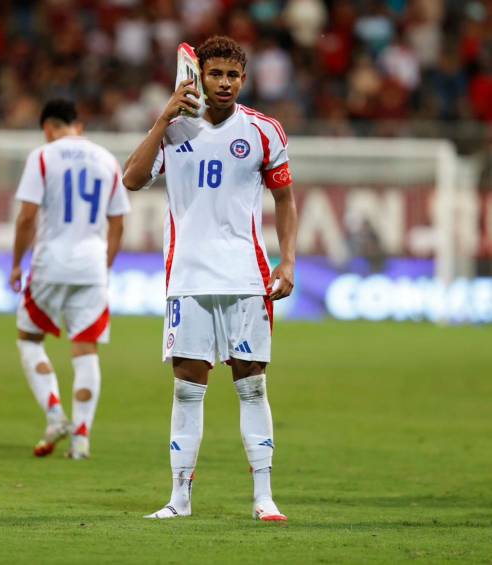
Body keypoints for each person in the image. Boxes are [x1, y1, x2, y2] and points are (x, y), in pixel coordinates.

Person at [122, 36, 298, 521]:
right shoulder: (175, 129)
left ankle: (264, 498)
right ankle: (179, 499)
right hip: (188, 278)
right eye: (216, 73)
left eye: (233, 75)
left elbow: (285, 200)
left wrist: (288, 263)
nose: (224, 83)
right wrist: (162, 119)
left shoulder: (265, 131)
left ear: (244, 78)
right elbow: (132, 179)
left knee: (253, 386)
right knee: (186, 389)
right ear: (198, 74)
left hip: (246, 276)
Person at [10, 99, 130, 459]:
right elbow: (119, 222)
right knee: (86, 348)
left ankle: (54, 414)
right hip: (92, 265)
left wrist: (17, 263)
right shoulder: (107, 159)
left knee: (30, 339)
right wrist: (105, 265)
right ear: (79, 125)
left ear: (48, 127)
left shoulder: (44, 156)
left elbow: (26, 218)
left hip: (50, 263)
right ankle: (81, 439)